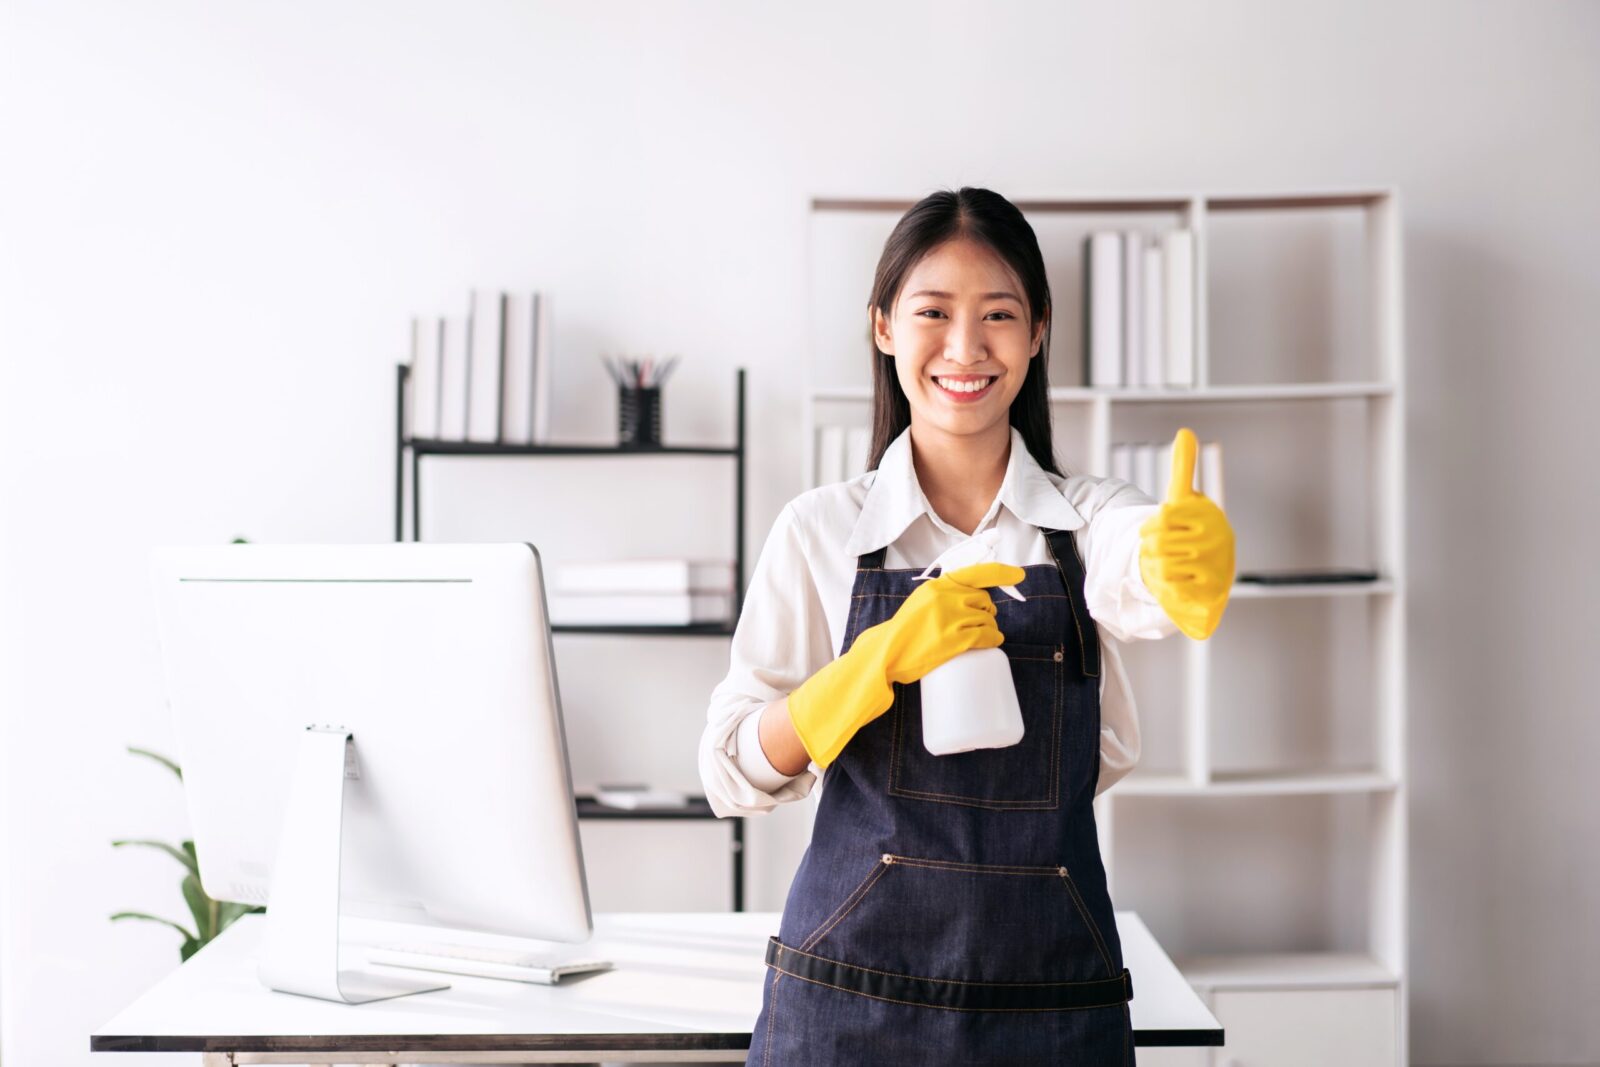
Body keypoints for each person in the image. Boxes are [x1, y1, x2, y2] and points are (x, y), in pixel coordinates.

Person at [698, 187, 1235, 1064]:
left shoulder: (1085, 520)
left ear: (1037, 332)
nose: (964, 346)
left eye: (998, 314)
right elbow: (730, 770)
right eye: (932, 312)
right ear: (882, 327)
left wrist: (1173, 565)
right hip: (846, 1009)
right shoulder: (821, 531)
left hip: (1052, 1013)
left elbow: (1130, 563)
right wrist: (866, 668)